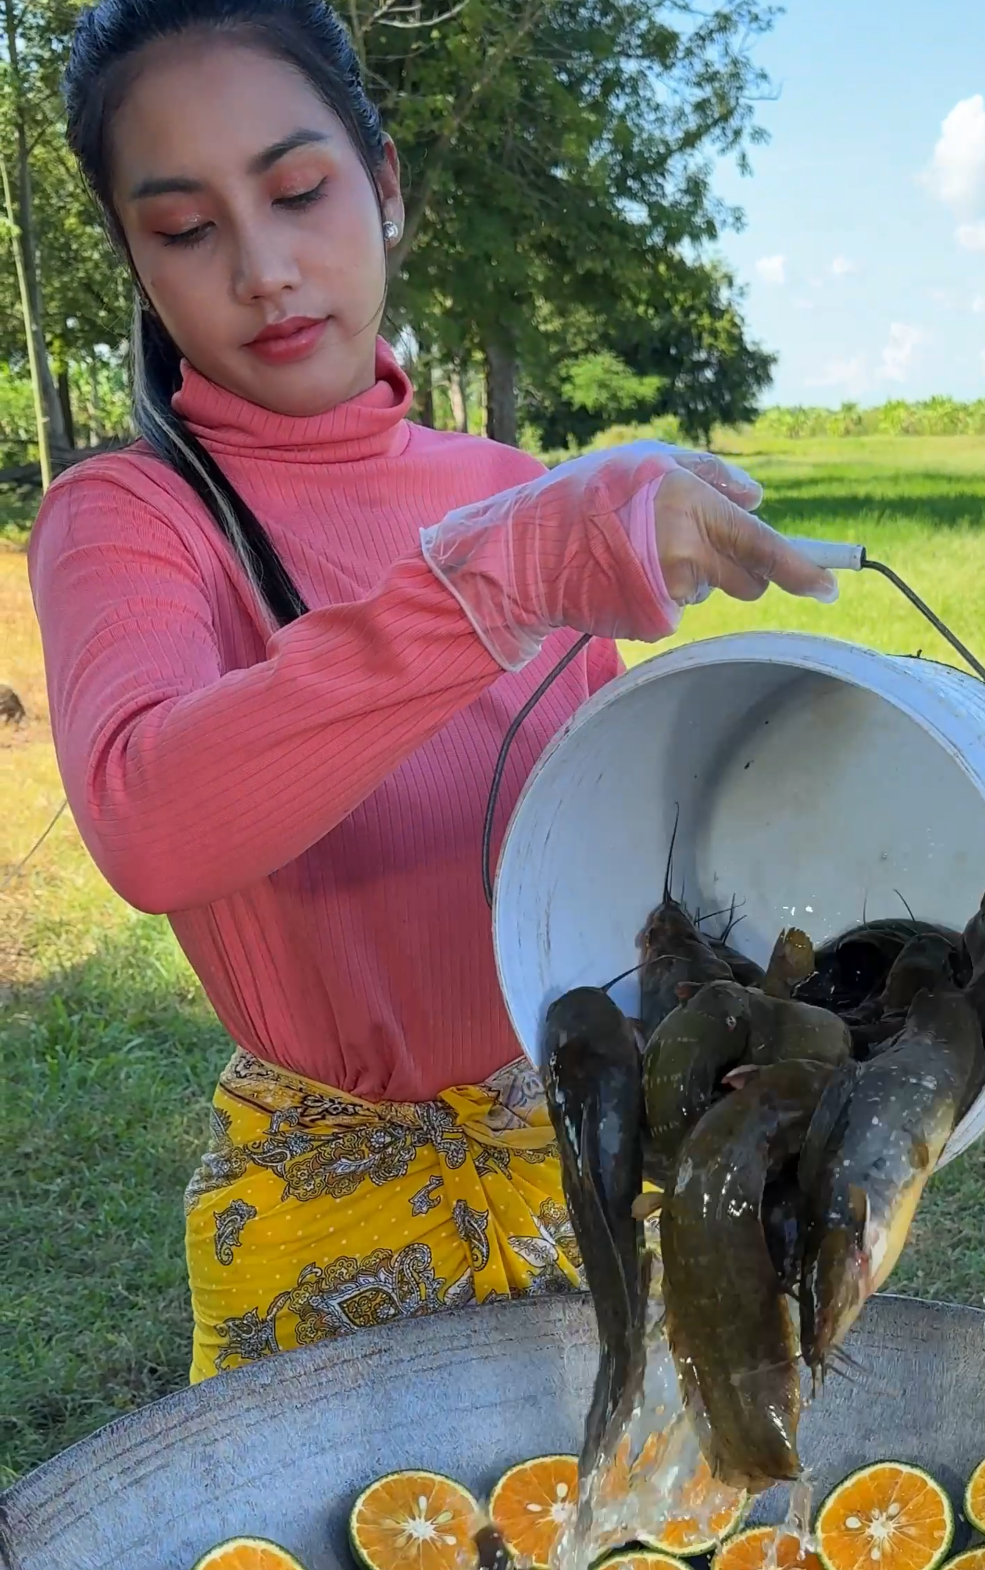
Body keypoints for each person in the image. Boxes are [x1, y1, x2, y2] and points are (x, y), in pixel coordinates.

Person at [33, 0, 835, 1384]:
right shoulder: (133, 518)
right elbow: (149, 817)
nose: (267, 269)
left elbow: (606, 852)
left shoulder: (507, 493)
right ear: (134, 259)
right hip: (321, 1202)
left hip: (582, 1147)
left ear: (386, 187)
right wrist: (494, 584)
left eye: (297, 192)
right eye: (185, 228)